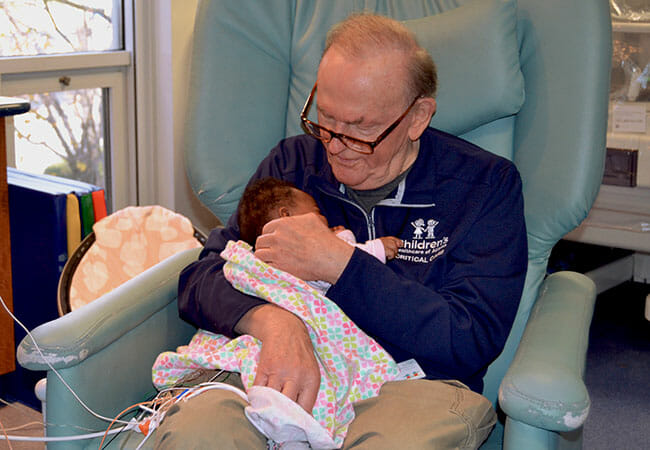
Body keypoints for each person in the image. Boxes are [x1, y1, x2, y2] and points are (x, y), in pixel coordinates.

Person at [154, 12, 527, 449]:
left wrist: (340, 264)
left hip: (413, 387)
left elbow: (469, 337)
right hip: (273, 371)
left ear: (417, 118)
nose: (333, 144)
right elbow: (205, 277)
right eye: (325, 118)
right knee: (200, 436)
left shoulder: (485, 187)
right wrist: (275, 322)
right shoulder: (293, 164)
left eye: (361, 129)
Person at [237, 176, 403, 278]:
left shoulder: (260, 260)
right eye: (316, 212)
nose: (324, 218)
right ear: (286, 216)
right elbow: (346, 260)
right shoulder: (301, 253)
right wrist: (378, 248)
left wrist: (342, 236)